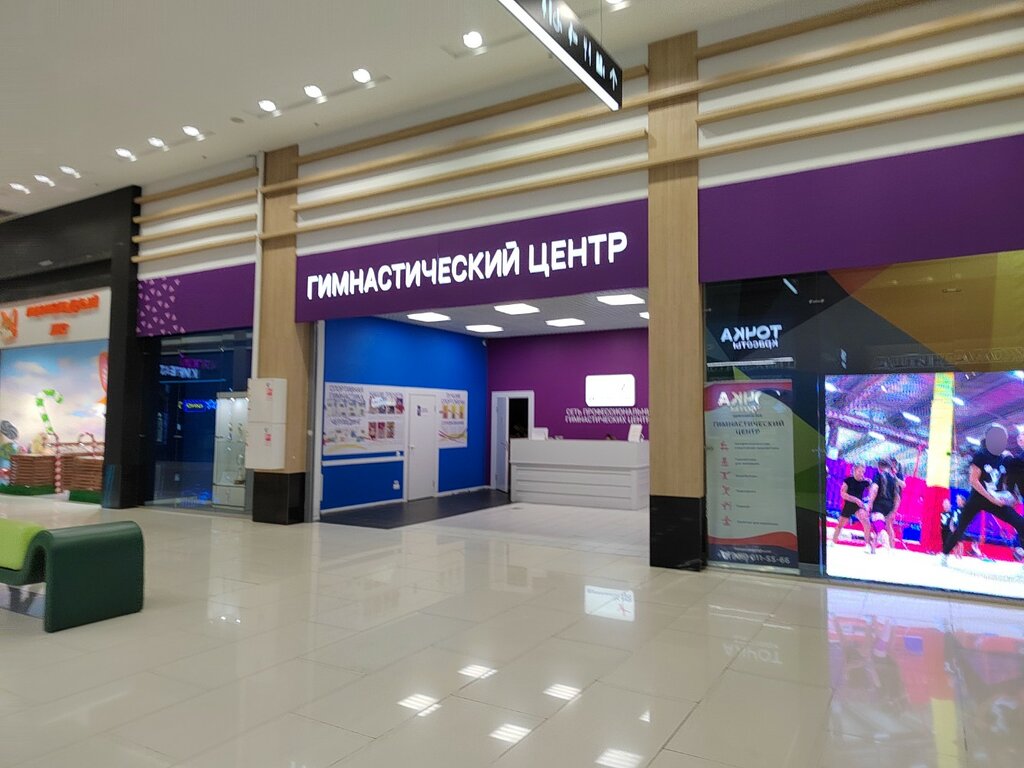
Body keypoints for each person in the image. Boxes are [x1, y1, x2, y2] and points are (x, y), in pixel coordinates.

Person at [942, 424, 1024, 563]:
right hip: (978, 498)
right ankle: (944, 554)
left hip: (995, 498)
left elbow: (1007, 481)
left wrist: (1010, 497)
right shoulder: (981, 455)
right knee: (960, 527)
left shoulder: (1004, 458)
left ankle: (1021, 552)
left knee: (1020, 522)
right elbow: (973, 481)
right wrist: (991, 498)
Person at [833, 463, 872, 548]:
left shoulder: (865, 482)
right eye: (859, 471)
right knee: (840, 525)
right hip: (848, 505)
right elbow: (843, 494)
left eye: (863, 472)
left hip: (858, 507)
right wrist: (855, 500)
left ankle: (867, 545)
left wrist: (868, 502)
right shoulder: (848, 480)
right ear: (854, 470)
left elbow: (872, 493)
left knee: (867, 523)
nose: (861, 474)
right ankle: (833, 542)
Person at [866, 459, 901, 552]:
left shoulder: (879, 475)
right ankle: (873, 548)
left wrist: (870, 503)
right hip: (889, 506)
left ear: (879, 467)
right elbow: (897, 497)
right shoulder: (894, 479)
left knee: (878, 524)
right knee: (879, 525)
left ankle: (885, 541)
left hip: (879, 503)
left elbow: (874, 489)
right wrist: (894, 511)